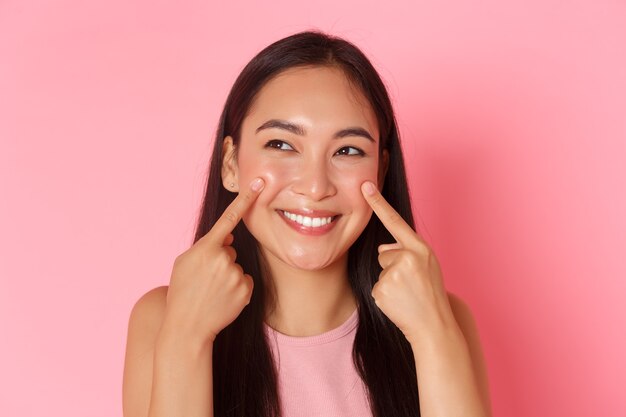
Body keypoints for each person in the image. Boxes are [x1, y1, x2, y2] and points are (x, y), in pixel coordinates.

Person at [122, 30, 492, 417]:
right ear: (230, 164)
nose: (315, 187)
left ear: (381, 170)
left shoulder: (444, 319)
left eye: (348, 150)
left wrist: (433, 335)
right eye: (281, 145)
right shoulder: (164, 318)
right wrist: (188, 337)